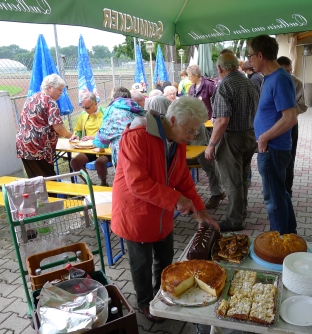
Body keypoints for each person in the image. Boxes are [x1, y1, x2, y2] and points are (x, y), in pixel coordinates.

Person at [111, 96, 220, 323]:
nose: (191, 137)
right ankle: (144, 302)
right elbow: (137, 183)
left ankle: (163, 294)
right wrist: (176, 199)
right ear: (172, 120)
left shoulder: (176, 140)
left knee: (165, 256)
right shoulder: (137, 136)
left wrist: (201, 211)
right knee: (141, 262)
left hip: (162, 210)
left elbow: (182, 178)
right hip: (136, 212)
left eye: (194, 132)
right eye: (189, 131)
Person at [249, 35, 298, 235]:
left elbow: (290, 117)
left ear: (260, 55)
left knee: (274, 200)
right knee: (280, 195)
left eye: (251, 56)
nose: (249, 60)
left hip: (273, 149)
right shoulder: (270, 78)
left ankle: (279, 242)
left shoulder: (279, 78)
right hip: (272, 148)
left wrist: (264, 136)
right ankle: (289, 236)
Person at [205, 52, 260, 232]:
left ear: (220, 68)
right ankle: (241, 210)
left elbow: (222, 120)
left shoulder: (225, 86)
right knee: (243, 177)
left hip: (232, 137)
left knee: (232, 181)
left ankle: (234, 220)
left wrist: (211, 145)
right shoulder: (248, 82)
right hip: (250, 135)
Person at [16, 74, 72, 178]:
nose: (61, 92)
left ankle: (40, 195)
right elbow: (58, 127)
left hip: (23, 145)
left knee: (34, 180)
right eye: (59, 89)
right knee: (48, 179)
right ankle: (51, 195)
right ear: (50, 88)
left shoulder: (31, 98)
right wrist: (70, 136)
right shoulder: (50, 102)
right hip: (39, 148)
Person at [187, 64, 226, 208]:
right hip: (196, 124)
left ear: (196, 75)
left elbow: (216, 103)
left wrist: (214, 118)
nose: (188, 78)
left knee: (208, 160)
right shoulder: (191, 88)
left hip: (208, 124)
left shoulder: (208, 85)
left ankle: (217, 191)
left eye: (190, 75)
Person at [277, 56, 308, 197]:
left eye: (290, 71)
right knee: (273, 159)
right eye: (285, 71)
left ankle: (287, 190)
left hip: (290, 125)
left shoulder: (297, 83)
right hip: (273, 126)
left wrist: (287, 107)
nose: (288, 74)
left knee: (289, 158)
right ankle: (274, 189)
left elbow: (303, 106)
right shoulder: (269, 80)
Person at [93, 87, 145, 167]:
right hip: (141, 150)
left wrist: (97, 143)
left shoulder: (112, 109)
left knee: (124, 178)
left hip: (123, 154)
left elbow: (104, 135)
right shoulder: (137, 108)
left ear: (113, 98)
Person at [69, 92, 110, 186]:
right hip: (90, 147)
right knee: (75, 162)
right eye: (83, 107)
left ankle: (104, 183)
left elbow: (109, 132)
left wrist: (94, 137)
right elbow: (78, 130)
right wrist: (76, 135)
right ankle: (89, 184)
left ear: (96, 103)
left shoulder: (105, 113)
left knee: (99, 163)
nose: (85, 109)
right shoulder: (83, 115)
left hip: (105, 147)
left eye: (87, 107)